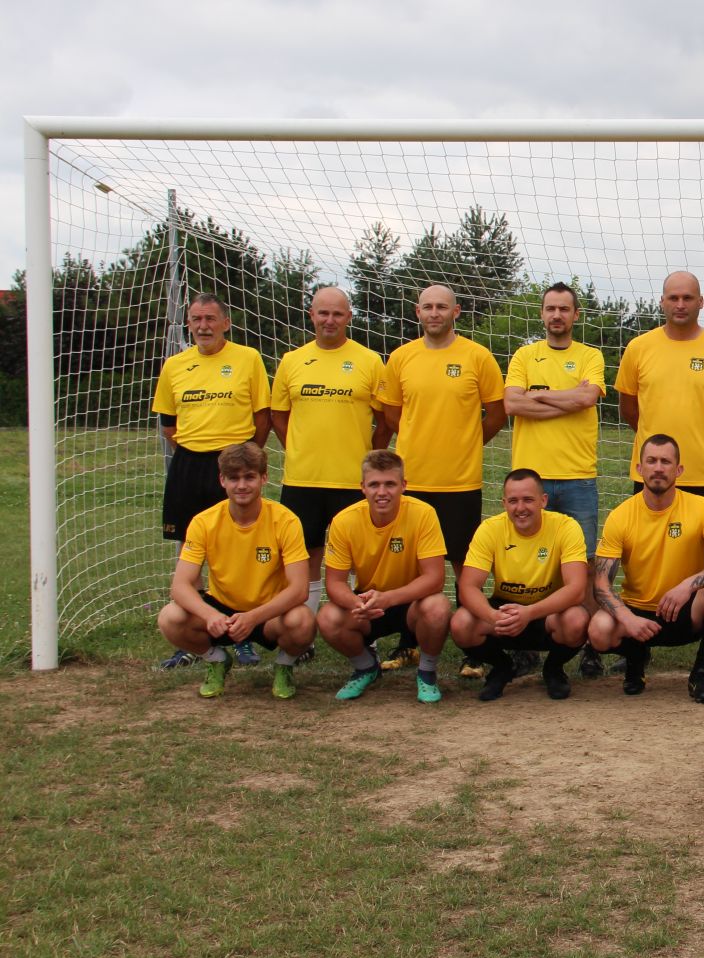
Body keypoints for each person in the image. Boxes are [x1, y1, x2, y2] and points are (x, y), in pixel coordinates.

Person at [615, 271, 704, 677]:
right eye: (673, 297)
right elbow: (628, 408)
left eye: (687, 297)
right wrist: (659, 458)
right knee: (643, 559)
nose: (680, 304)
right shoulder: (639, 348)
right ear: (662, 301)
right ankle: (638, 641)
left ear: (700, 302)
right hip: (653, 475)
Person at [376, 284, 506, 673]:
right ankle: (408, 644)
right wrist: (418, 439)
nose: (435, 313)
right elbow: (391, 415)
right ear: (417, 312)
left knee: (466, 565)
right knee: (411, 567)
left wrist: (466, 443)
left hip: (460, 483)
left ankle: (474, 648)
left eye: (442, 307)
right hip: (413, 482)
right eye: (428, 307)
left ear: (456, 312)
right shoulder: (401, 357)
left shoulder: (477, 356)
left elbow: (497, 414)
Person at [151, 293, 271, 670]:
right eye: (196, 319)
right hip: (189, 465)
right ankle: (198, 632)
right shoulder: (175, 365)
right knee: (190, 548)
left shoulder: (247, 358)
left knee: (239, 545)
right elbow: (168, 424)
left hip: (233, 462)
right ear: (188, 324)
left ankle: (242, 636)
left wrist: (244, 458)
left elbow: (262, 416)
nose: (203, 326)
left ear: (226, 323)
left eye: (210, 319)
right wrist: (197, 452)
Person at [588, 435, 704, 703]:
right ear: (639, 468)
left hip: (685, 610)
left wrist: (686, 586)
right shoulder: (620, 516)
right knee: (599, 630)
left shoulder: (701, 507)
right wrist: (628, 619)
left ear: (678, 470)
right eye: (651, 461)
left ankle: (700, 672)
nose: (658, 468)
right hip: (638, 613)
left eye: (665, 462)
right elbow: (601, 585)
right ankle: (636, 660)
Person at [155, 442, 314, 700]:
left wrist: (252, 618)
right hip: (222, 612)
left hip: (268, 612)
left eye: (249, 477)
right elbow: (180, 586)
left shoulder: (286, 520)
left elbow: (299, 589)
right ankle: (216, 660)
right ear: (222, 480)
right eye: (233, 478)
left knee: (303, 621)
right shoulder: (203, 522)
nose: (241, 485)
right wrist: (210, 615)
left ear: (264, 478)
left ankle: (284, 666)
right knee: (170, 617)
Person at [503, 282, 607, 677]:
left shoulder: (590, 355)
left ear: (576, 314)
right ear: (542, 313)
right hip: (531, 481)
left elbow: (587, 399)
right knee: (525, 563)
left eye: (564, 309)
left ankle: (592, 646)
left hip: (578, 478)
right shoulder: (524, 355)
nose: (557, 315)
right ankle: (525, 646)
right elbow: (511, 403)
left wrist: (537, 396)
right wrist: (566, 399)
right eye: (551, 308)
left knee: (587, 563)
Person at [271, 286, 389, 613]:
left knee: (356, 558)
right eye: (323, 313)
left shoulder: (369, 361)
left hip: (352, 481)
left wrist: (369, 457)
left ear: (349, 317)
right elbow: (278, 416)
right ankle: (305, 624)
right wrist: (298, 448)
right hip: (302, 479)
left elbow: (385, 420)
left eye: (337, 314)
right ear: (311, 315)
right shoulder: (292, 361)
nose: (329, 320)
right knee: (306, 554)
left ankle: (360, 623)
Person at [316, 450, 452, 703]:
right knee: (328, 617)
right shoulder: (344, 521)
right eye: (374, 485)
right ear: (362, 487)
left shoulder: (423, 513)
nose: (382, 492)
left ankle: (427, 672)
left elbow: (435, 579)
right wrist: (356, 603)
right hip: (368, 602)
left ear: (403, 485)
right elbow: (334, 583)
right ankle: (366, 667)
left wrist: (388, 598)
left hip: (411, 602)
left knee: (438, 607)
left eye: (390, 484)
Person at [451, 469, 592, 702]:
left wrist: (529, 613)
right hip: (504, 612)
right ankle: (502, 667)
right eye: (513, 501)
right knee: (461, 623)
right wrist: (493, 616)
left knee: (576, 620)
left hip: (546, 611)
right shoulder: (490, 529)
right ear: (504, 503)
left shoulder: (566, 527)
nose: (520, 508)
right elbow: (468, 587)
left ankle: (553, 669)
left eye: (528, 500)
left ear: (543, 501)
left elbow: (576, 589)